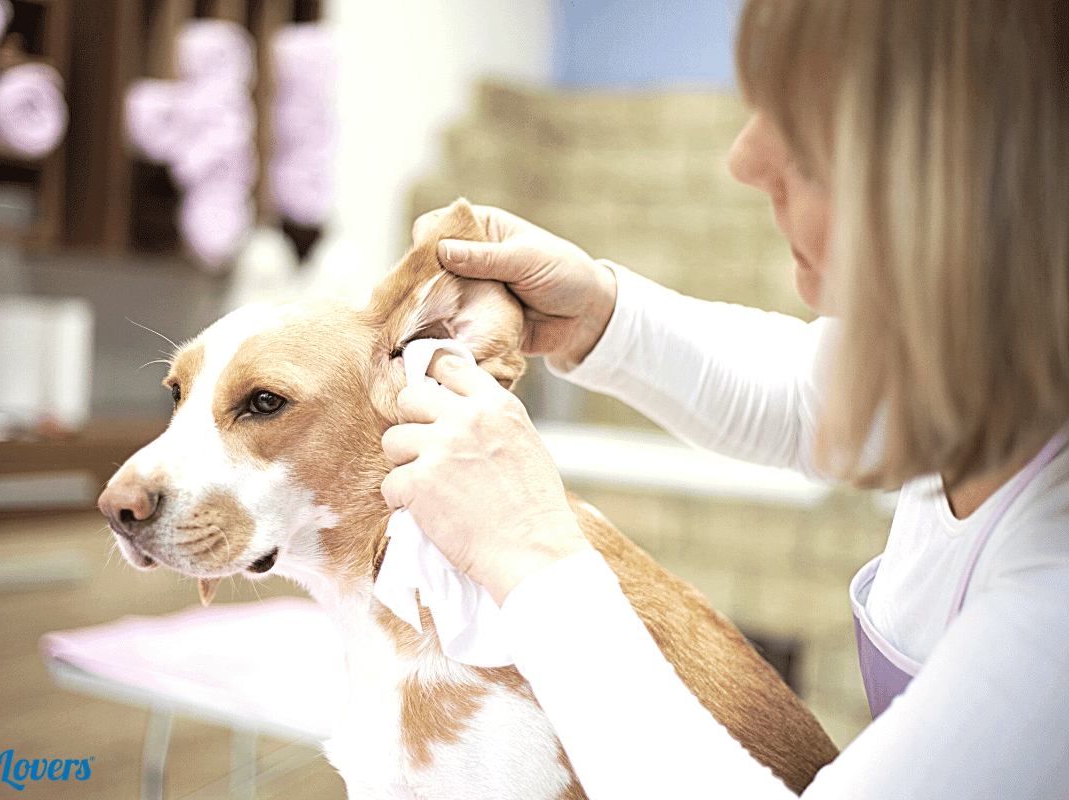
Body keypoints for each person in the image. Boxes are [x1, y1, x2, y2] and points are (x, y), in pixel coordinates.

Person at [378, 0, 1069, 796]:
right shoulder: (988, 372)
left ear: (965, 205)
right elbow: (803, 392)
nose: (744, 160)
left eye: (808, 148)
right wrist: (598, 314)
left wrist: (531, 552)